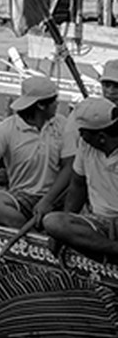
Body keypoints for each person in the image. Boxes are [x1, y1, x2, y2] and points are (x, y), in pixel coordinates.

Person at [0, 76, 65, 230]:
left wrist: (48, 200)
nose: (57, 104)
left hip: (57, 196)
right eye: (54, 101)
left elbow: (70, 168)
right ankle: (33, 232)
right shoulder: (3, 130)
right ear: (41, 105)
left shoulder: (63, 125)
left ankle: (41, 227)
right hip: (22, 197)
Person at [30, 59, 118, 226]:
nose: (111, 92)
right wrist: (50, 200)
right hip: (90, 196)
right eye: (107, 85)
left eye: (116, 87)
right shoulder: (83, 114)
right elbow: (74, 171)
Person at [43, 98, 118, 259]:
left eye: (83, 132)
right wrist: (64, 226)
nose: (80, 135)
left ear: (101, 137)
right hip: (100, 221)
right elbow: (78, 185)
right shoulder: (86, 146)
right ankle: (112, 249)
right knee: (53, 222)